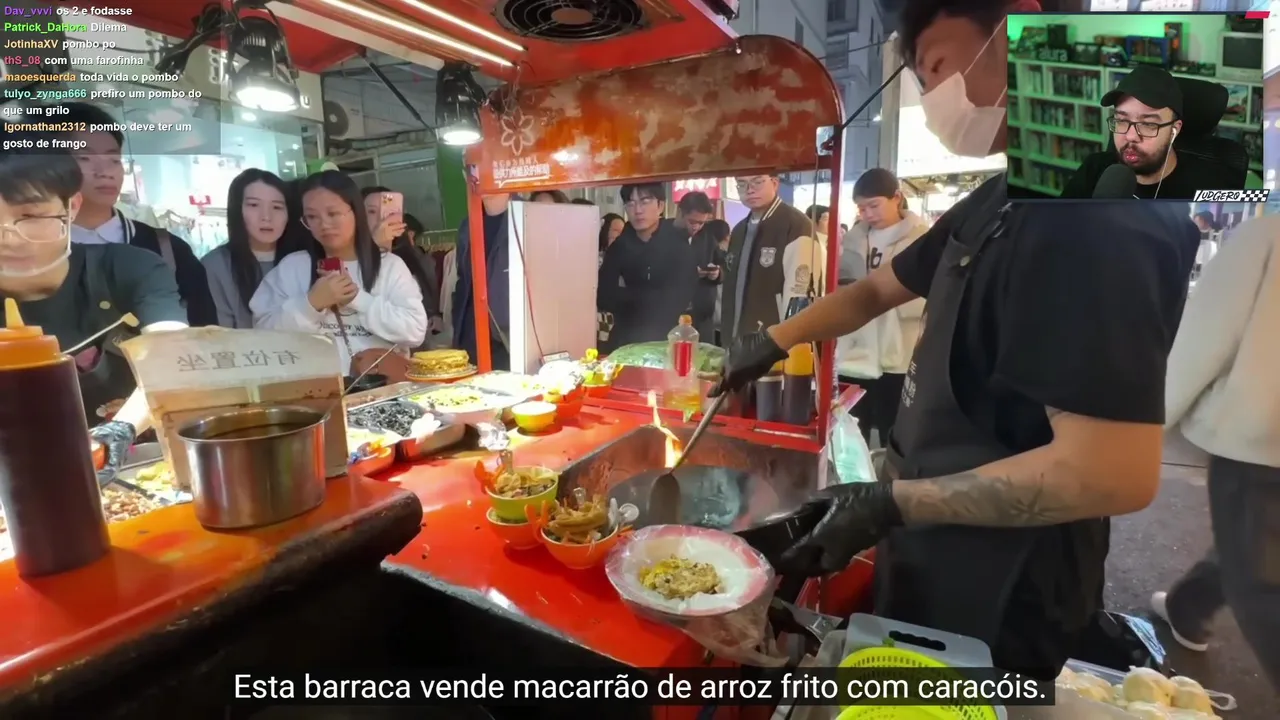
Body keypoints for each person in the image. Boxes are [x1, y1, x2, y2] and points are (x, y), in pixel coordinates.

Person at [710, 0, 1199, 678]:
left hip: (1007, 578)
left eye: (935, 66)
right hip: (933, 534)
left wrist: (891, 504)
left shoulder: (1097, 214)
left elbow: (1113, 471)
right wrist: (771, 341)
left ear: (1018, 26)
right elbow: (876, 291)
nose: (930, 96)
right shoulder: (1001, 196)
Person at [0, 133, 188, 482]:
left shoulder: (130, 268)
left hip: (138, 466)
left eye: (29, 215)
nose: (7, 237)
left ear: (71, 207)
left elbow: (174, 354)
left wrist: (121, 429)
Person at [1150, 215, 1279, 688]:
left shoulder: (1266, 236)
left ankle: (1191, 607)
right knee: (1250, 537)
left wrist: (1152, 418)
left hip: (1261, 438)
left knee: (1263, 583)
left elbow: (1206, 337)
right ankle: (1190, 607)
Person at [58, 102, 217, 326]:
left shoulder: (169, 250)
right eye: (84, 158)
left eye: (114, 160)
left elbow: (205, 330)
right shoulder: (31, 252)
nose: (106, 172)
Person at [251, 171, 427, 374]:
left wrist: (358, 299)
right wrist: (309, 304)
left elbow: (415, 332)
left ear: (356, 212)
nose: (324, 224)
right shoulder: (292, 268)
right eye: (312, 217)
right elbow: (262, 335)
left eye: (333, 214)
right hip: (314, 389)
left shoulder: (389, 266)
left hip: (380, 387)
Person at [840, 168, 930, 446]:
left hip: (900, 350)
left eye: (874, 205)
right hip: (857, 351)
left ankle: (889, 471)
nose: (867, 214)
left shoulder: (922, 238)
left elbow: (931, 293)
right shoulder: (853, 239)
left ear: (897, 198)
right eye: (861, 208)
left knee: (895, 425)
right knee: (853, 425)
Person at [1059, 66, 1242, 199]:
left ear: (1174, 130)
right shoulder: (1095, 169)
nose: (1130, 136)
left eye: (1148, 124)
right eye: (1122, 120)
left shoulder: (1212, 188)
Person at [720, 175, 824, 345]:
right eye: (742, 184)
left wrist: (792, 342)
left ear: (775, 183)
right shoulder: (739, 230)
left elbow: (800, 293)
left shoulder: (796, 225)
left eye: (757, 182)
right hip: (736, 339)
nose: (749, 190)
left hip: (774, 342)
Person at [202, 169, 306, 329]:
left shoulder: (302, 260)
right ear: (237, 210)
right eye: (254, 205)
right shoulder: (215, 265)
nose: (266, 217)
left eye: (277, 207)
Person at [597, 183, 697, 348]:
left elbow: (676, 301)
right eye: (631, 203)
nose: (637, 210)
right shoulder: (619, 247)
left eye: (644, 201)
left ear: (660, 206)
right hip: (624, 342)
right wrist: (652, 296)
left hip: (665, 342)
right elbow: (603, 296)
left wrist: (627, 294)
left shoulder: (678, 247)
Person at [361, 186, 442, 344]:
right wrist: (375, 248)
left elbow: (426, 300)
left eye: (390, 211)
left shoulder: (411, 257)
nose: (381, 217)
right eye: (371, 211)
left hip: (411, 349)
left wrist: (435, 315)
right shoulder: (349, 258)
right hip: (366, 349)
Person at [453, 194, 511, 370]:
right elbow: (463, 280)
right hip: (470, 339)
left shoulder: (527, 216)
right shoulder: (468, 225)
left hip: (509, 341)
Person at [676, 191, 722, 342]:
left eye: (701, 223)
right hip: (673, 317)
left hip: (702, 318)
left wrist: (717, 274)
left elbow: (724, 264)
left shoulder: (707, 238)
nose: (696, 226)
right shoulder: (664, 234)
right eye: (692, 221)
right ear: (680, 213)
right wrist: (690, 273)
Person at [704, 219, 732, 345]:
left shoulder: (705, 258)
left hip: (709, 321)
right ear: (727, 237)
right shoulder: (729, 260)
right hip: (724, 321)